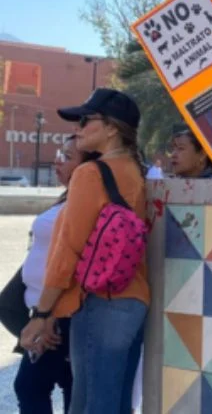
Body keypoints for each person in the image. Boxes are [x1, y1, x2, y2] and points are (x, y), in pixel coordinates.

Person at [19, 88, 149, 413]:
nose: (77, 127)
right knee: (115, 405)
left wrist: (42, 314)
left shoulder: (90, 174)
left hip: (100, 304)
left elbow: (68, 250)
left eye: (86, 119)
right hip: (133, 302)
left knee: (90, 406)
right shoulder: (136, 170)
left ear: (112, 128)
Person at [14, 136, 98, 413]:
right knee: (61, 384)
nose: (58, 160)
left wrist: (47, 315)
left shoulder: (85, 204)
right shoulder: (69, 197)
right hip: (47, 311)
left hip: (58, 315)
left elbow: (73, 262)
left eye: (68, 156)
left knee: (32, 385)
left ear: (87, 167)